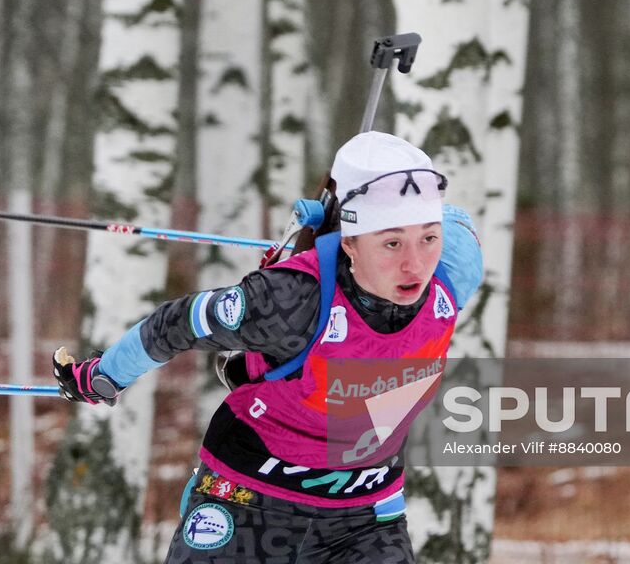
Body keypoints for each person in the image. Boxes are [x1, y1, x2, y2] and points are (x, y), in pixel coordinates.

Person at [52, 131, 483, 563]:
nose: (415, 264)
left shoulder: (454, 267)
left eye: (428, 237)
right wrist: (104, 375)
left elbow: (456, 220)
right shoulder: (288, 300)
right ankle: (254, 366)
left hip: (363, 516)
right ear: (349, 242)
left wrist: (345, 201)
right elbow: (176, 323)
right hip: (249, 501)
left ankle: (253, 366)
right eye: (391, 242)